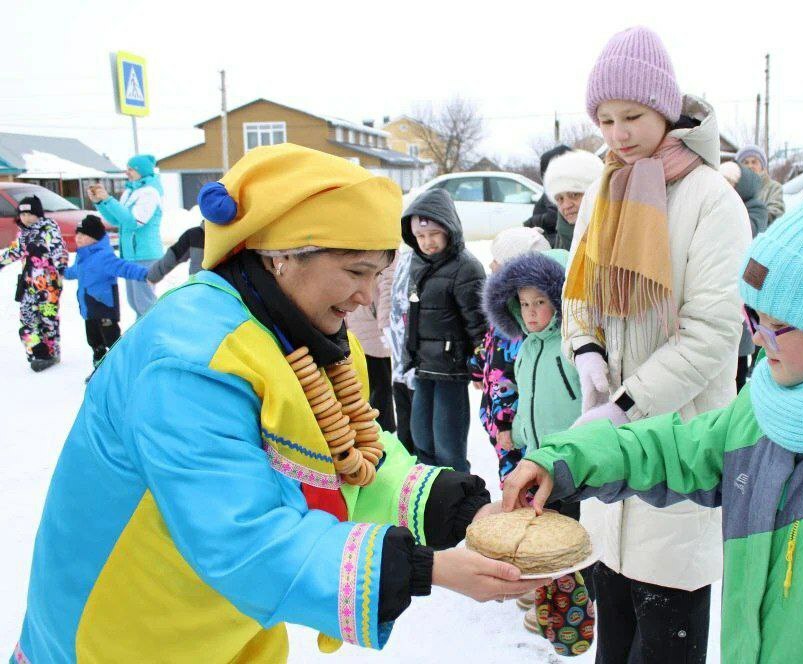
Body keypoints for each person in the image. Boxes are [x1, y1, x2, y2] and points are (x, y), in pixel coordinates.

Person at [10, 144, 545, 664]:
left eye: (378, 274)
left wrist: (463, 509)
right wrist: (430, 570)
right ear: (283, 256)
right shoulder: (187, 359)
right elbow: (240, 537)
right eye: (356, 271)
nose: (365, 296)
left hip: (223, 627)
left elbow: (352, 455)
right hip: (127, 633)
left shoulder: (305, 333)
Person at [504, 174, 803, 664]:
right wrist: (564, 459)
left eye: (776, 325)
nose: (757, 339)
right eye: (751, 317)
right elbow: (673, 448)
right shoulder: (763, 411)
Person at [562, 26, 751, 664]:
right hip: (607, 449)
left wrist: (621, 407)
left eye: (633, 116)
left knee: (667, 640)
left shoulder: (711, 200)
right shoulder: (602, 188)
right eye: (606, 120)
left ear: (667, 109)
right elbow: (576, 296)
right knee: (613, 638)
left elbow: (710, 336)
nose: (618, 134)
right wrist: (587, 355)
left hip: (679, 447)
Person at [482, 249, 594, 652]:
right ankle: (550, 591)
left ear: (558, 300)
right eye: (523, 304)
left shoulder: (570, 345)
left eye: (540, 303)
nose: (530, 313)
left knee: (573, 530)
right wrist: (516, 432)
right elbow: (522, 393)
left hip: (572, 454)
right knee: (545, 523)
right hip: (537, 452)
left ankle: (577, 599)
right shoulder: (527, 345)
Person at [402, 189, 488, 473]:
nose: (427, 242)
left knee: (448, 445)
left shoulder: (466, 268)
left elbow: (478, 323)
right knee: (422, 439)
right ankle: (430, 499)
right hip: (425, 365)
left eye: (433, 234)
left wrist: (481, 365)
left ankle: (459, 500)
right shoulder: (419, 263)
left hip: (451, 368)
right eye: (421, 236)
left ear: (449, 230)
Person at [470, 226, 549, 481]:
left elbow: (509, 376)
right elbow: (490, 344)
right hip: (500, 419)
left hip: (515, 426)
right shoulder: (505, 309)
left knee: (519, 480)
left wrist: (505, 424)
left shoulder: (522, 322)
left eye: (497, 260)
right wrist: (476, 364)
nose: (491, 264)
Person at [63, 215, 150, 368]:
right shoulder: (82, 256)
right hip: (88, 306)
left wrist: (145, 274)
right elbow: (76, 271)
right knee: (93, 339)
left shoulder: (104, 256)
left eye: (84, 235)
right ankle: (100, 366)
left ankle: (121, 366)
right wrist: (63, 272)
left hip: (104, 306)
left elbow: (124, 267)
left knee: (111, 339)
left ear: (95, 237)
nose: (79, 238)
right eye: (78, 234)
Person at [88, 154, 164, 316]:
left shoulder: (150, 192)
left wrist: (108, 199)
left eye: (131, 169)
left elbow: (134, 222)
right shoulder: (130, 191)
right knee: (135, 303)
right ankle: (140, 337)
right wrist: (100, 202)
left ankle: (150, 337)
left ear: (141, 171)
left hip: (145, 254)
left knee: (145, 303)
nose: (127, 172)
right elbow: (116, 220)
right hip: (130, 255)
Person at [0, 195, 68, 372]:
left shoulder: (49, 229)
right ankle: (36, 351)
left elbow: (59, 251)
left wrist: (60, 268)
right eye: (22, 215)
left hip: (49, 287)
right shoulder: (22, 233)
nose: (26, 218)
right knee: (27, 320)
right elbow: (14, 252)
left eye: (30, 214)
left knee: (48, 319)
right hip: (28, 286)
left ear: (38, 214)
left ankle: (51, 352)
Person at [720, 160, 769, 391]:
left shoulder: (754, 207)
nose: (725, 186)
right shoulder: (720, 203)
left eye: (730, 182)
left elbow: (748, 231)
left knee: (739, 355)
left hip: (745, 285)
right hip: (725, 282)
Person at [346, 254, 398, 432]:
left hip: (374, 331)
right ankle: (374, 432)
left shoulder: (385, 253)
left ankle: (383, 433)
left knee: (380, 388)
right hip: (356, 328)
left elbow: (388, 288)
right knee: (366, 386)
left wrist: (385, 323)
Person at [542, 149, 604, 250]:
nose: (566, 205)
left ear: (594, 193)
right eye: (560, 199)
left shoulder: (615, 230)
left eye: (574, 194)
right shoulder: (562, 236)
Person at [387, 243, 416, 453]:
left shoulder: (414, 262)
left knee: (419, 426)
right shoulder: (405, 259)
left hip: (417, 358)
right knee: (404, 413)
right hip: (399, 353)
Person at [524, 145, 572, 246]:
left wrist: (531, 221)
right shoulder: (553, 190)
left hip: (552, 243)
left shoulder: (559, 190)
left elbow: (553, 216)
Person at [736, 144, 784, 224]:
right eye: (746, 162)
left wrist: (753, 223)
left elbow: (776, 211)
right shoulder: (734, 189)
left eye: (754, 162)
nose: (750, 166)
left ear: (762, 166)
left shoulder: (774, 188)